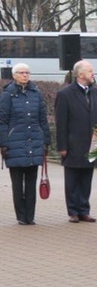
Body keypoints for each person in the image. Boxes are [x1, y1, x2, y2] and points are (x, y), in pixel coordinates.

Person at [0, 63, 51, 225]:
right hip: (14, 143)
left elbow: (42, 119)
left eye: (27, 73)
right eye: (21, 73)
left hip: (34, 142)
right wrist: (3, 143)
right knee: (17, 182)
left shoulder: (36, 93)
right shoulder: (7, 95)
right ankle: (21, 215)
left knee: (31, 181)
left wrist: (46, 141)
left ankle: (30, 215)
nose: (25, 75)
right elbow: (2, 120)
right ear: (14, 75)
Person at [54, 60, 97, 224]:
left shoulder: (95, 93)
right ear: (80, 74)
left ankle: (84, 210)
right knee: (72, 180)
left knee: (86, 179)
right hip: (73, 143)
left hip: (91, 144)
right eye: (90, 71)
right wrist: (62, 146)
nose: (93, 74)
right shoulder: (65, 94)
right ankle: (73, 211)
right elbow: (61, 122)